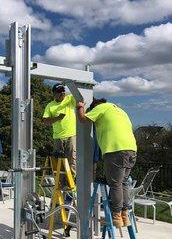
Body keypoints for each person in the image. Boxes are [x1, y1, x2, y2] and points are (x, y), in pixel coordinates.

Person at [77, 98, 137, 228]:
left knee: (115, 184)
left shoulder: (100, 107)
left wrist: (80, 107)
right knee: (124, 182)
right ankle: (124, 215)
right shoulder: (120, 111)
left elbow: (83, 119)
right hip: (131, 150)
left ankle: (116, 216)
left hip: (115, 150)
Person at [43, 83, 77, 175]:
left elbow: (81, 99)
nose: (62, 93)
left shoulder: (70, 99)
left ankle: (72, 183)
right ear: (54, 94)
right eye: (59, 92)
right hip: (58, 137)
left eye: (63, 91)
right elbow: (45, 121)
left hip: (71, 135)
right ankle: (60, 183)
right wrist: (57, 118)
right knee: (58, 161)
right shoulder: (50, 105)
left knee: (72, 160)